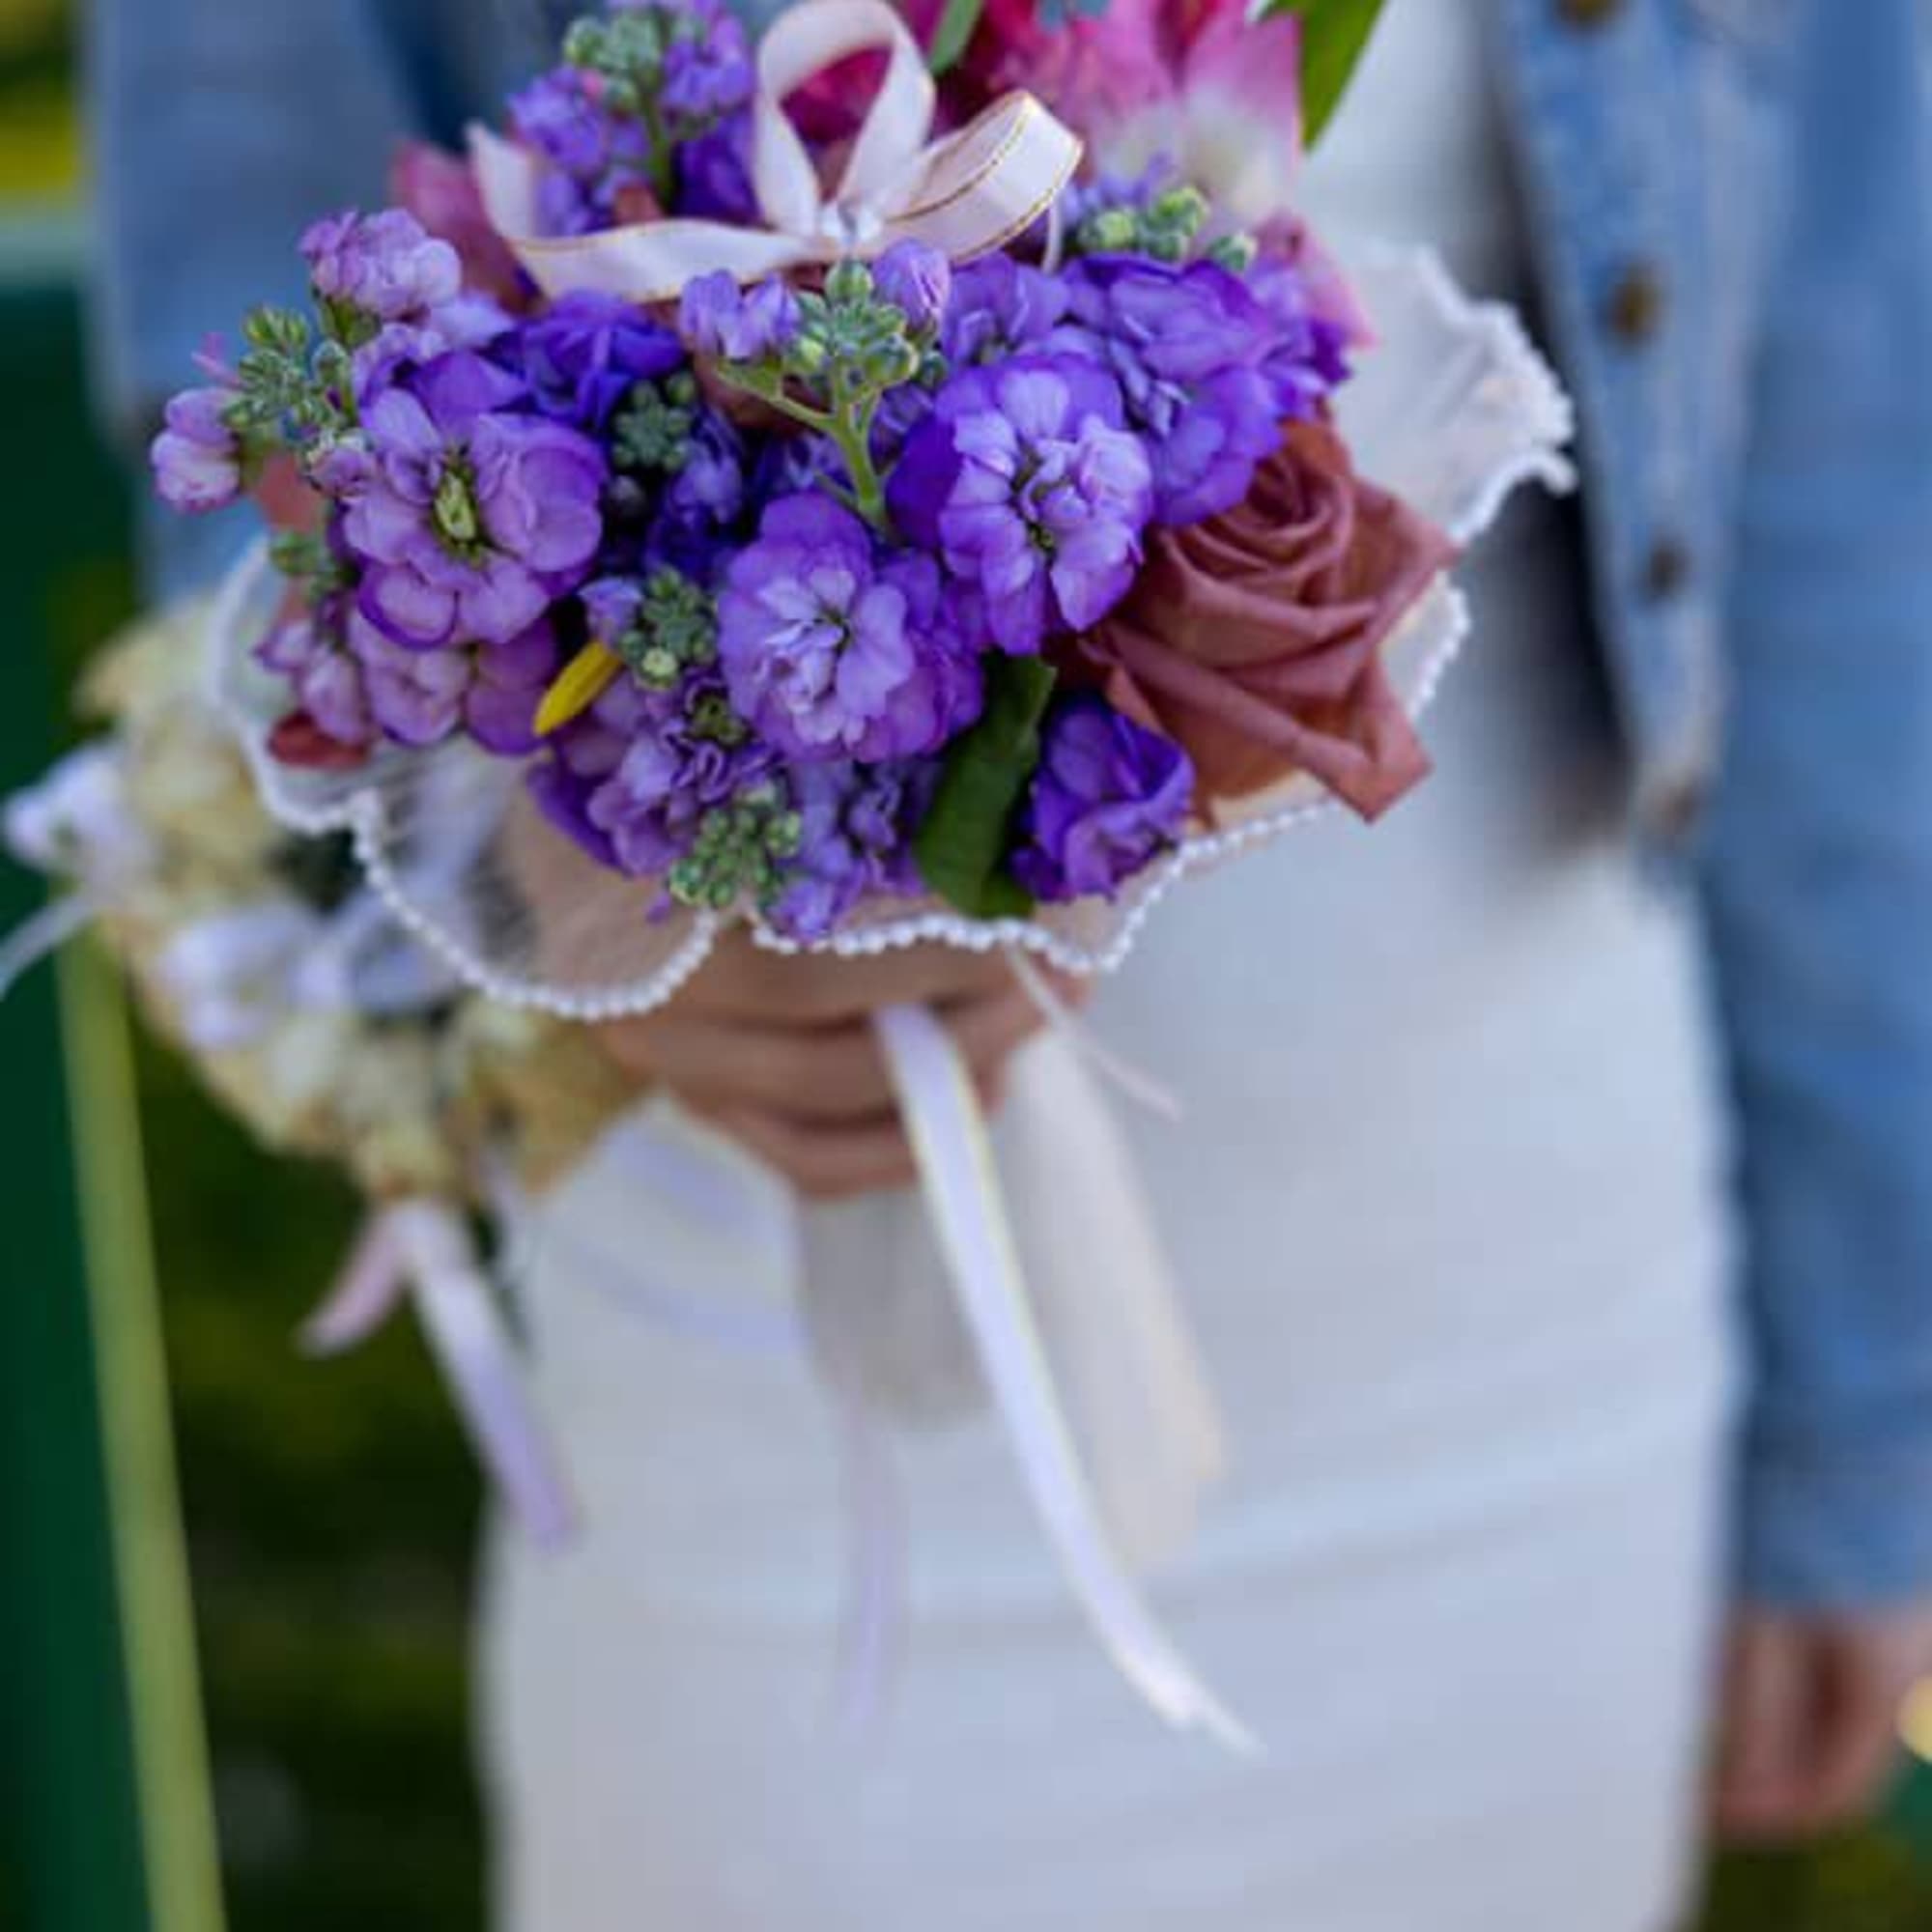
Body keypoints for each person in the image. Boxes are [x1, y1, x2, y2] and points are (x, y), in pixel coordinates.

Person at [91, 0, 1932, 1926]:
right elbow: (248, 362)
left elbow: (1842, 449)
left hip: (1529, 1288)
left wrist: (1860, 1417)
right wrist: (540, 874)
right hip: (783, 1303)